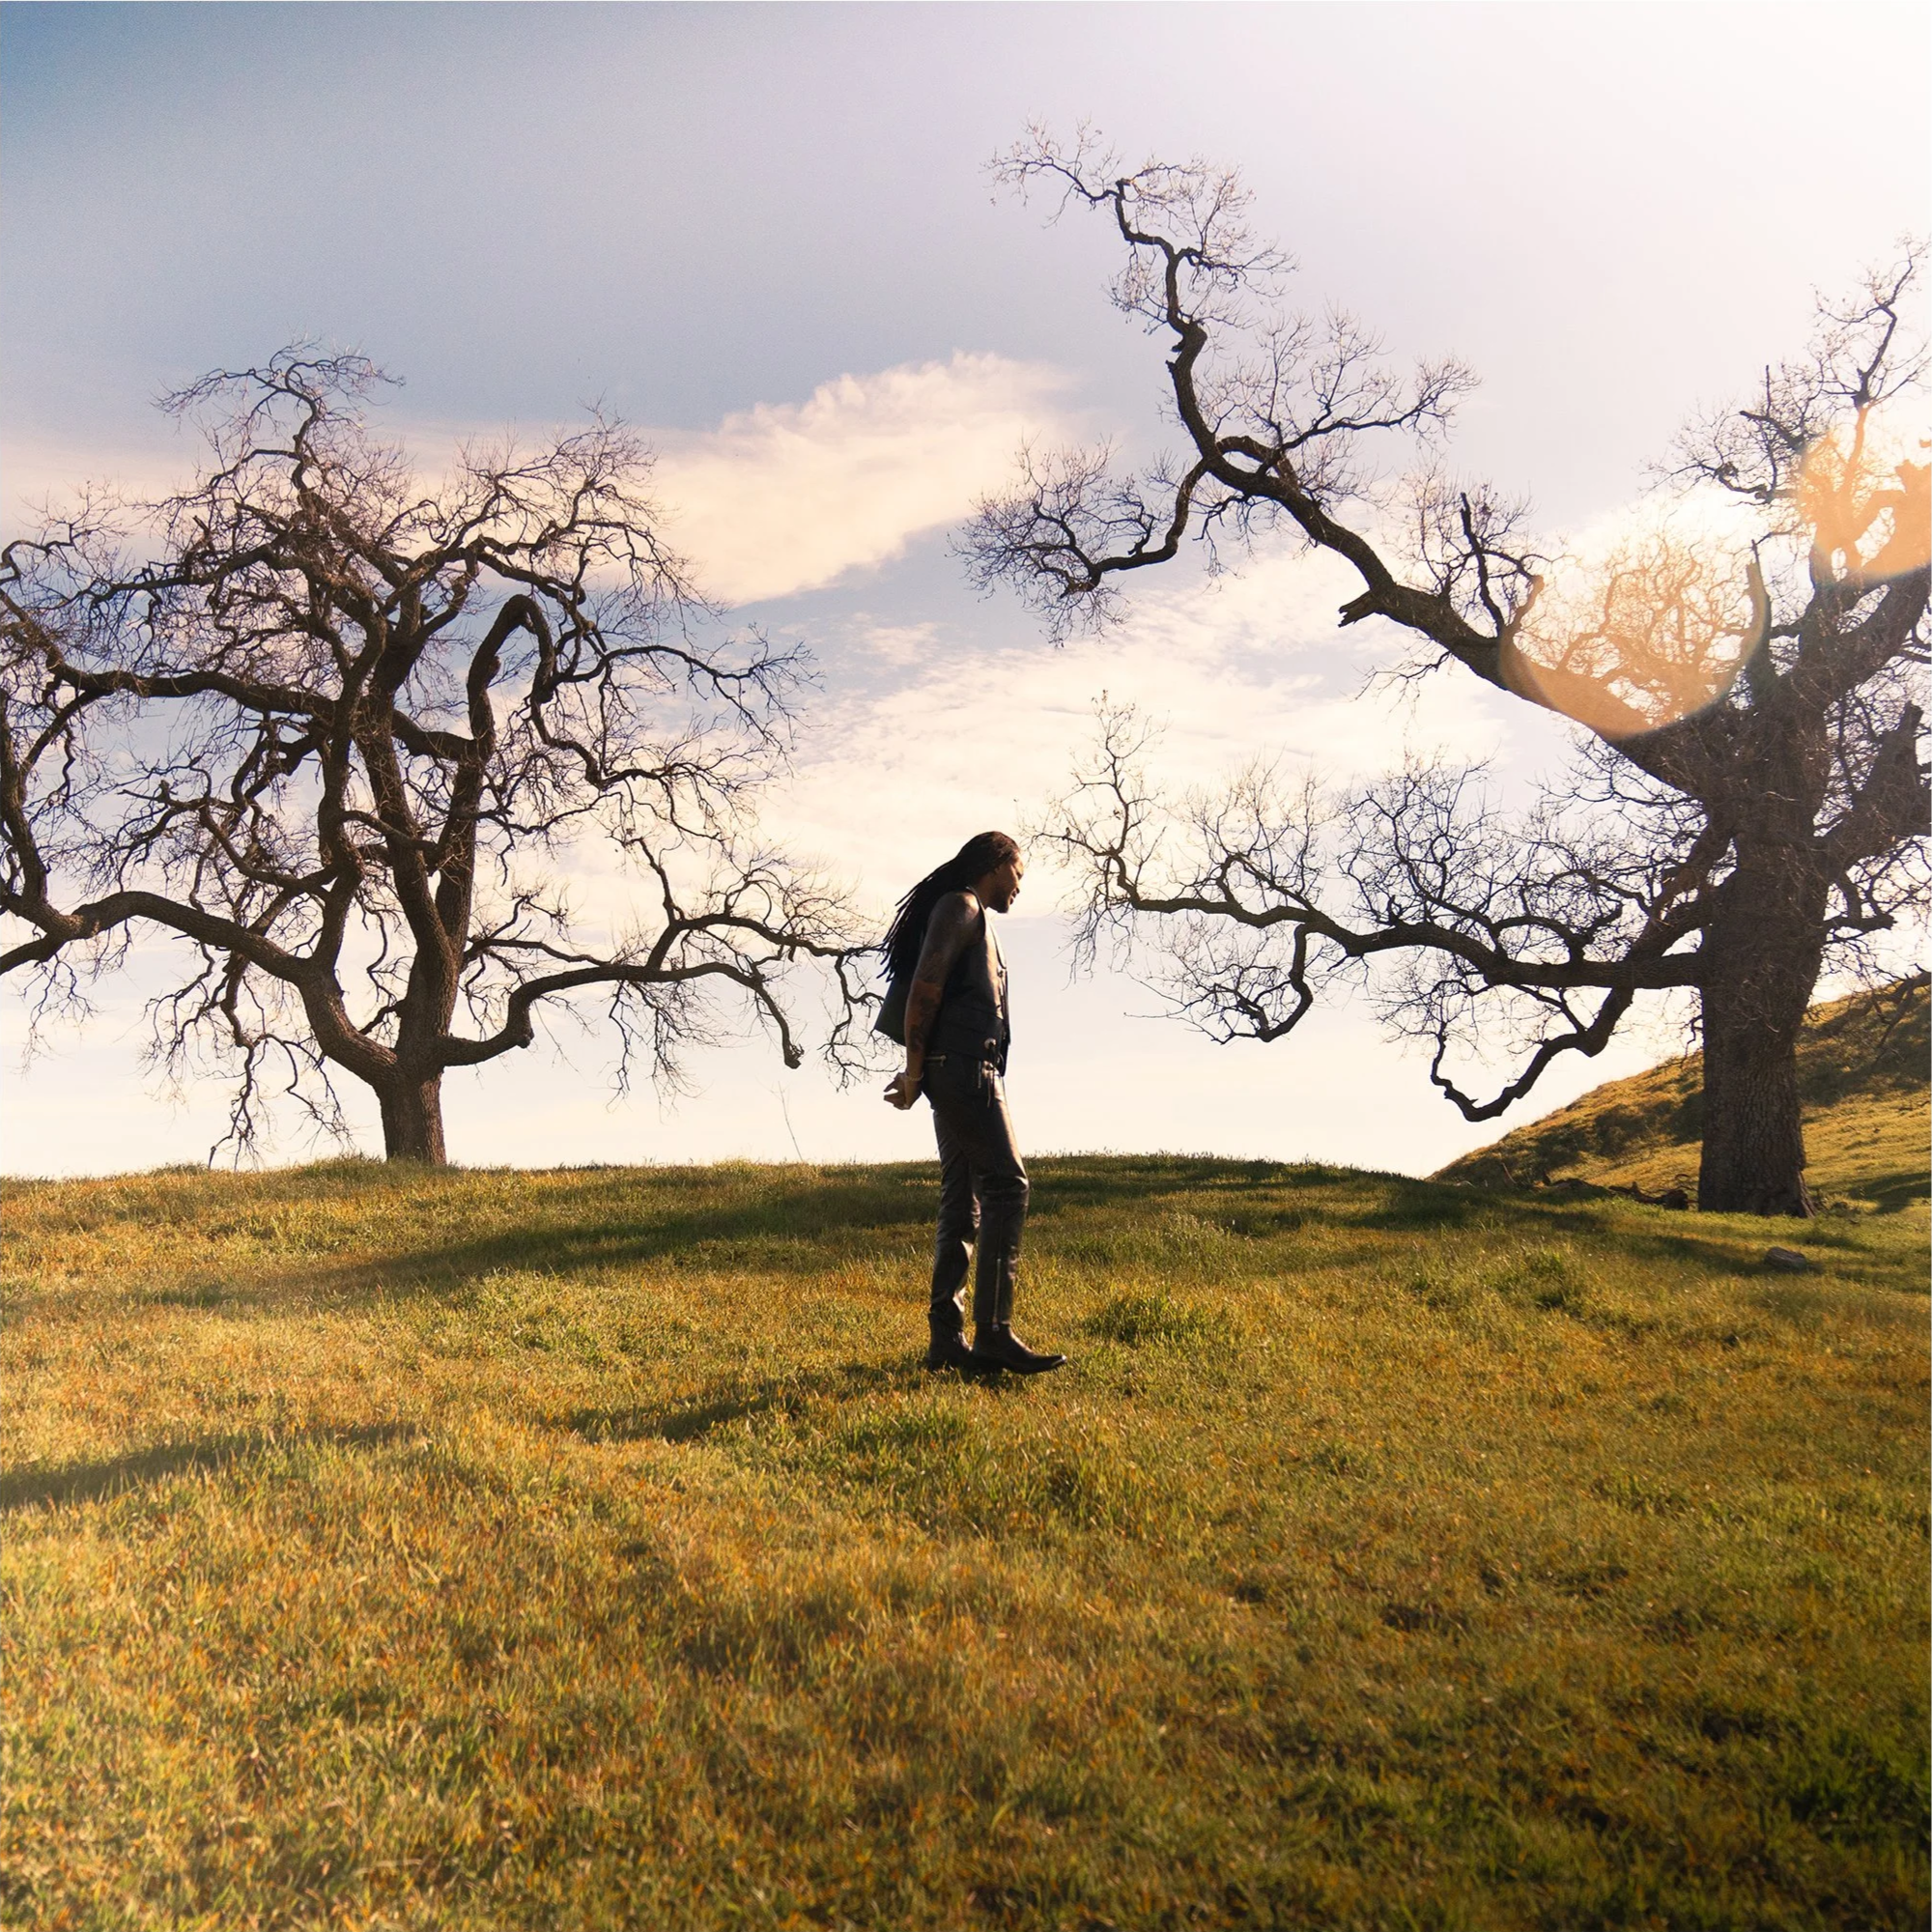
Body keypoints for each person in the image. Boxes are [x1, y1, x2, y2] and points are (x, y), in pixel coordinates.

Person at [882, 832, 1066, 1376]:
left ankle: (946, 1341)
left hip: (959, 1071)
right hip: (966, 1072)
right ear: (997, 864)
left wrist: (923, 1072)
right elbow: (924, 990)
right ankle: (992, 1334)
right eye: (1019, 874)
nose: (1020, 887)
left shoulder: (966, 911)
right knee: (1009, 1187)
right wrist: (915, 1073)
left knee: (963, 1202)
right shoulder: (961, 906)